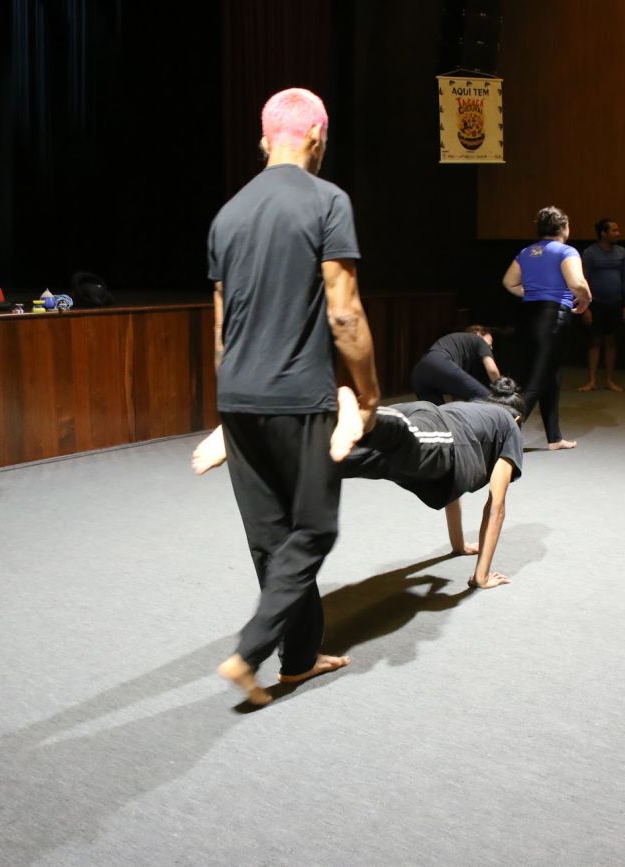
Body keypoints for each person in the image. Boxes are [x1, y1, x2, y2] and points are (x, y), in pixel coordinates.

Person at [206, 88, 380, 706]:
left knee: (271, 537)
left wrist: (227, 408)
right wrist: (367, 394)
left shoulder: (227, 215)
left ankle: (299, 658)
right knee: (314, 528)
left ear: (265, 139)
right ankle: (250, 651)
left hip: (237, 396)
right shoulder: (328, 201)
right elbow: (344, 314)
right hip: (299, 396)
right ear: (316, 137)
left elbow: (222, 327)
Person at [193, 380, 526, 589]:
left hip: (426, 438)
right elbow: (496, 505)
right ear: (517, 419)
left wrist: (458, 545)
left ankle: (259, 435)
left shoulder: (477, 411)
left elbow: (453, 490)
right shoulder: (508, 426)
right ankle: (310, 409)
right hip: (437, 437)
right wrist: (481, 576)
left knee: (338, 454)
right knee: (390, 433)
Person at [501, 205, 592, 450]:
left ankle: (554, 437)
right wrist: (586, 299)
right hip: (552, 317)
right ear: (564, 228)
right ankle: (500, 434)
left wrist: (533, 293)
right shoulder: (566, 251)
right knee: (538, 380)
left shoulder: (526, 252)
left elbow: (509, 282)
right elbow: (576, 283)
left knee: (550, 374)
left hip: (528, 315)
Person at [578, 218, 625, 392]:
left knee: (611, 341)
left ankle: (609, 380)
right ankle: (592, 381)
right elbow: (582, 280)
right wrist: (584, 307)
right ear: (603, 233)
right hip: (596, 304)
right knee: (595, 341)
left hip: (615, 303)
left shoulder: (621, 252)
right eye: (614, 230)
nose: (618, 233)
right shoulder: (590, 253)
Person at [409, 325, 503, 404]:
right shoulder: (479, 340)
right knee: (489, 400)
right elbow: (492, 370)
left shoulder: (458, 347)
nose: (491, 347)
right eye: (490, 342)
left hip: (418, 373)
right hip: (438, 362)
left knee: (436, 415)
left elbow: (456, 392)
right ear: (478, 332)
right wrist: (502, 393)